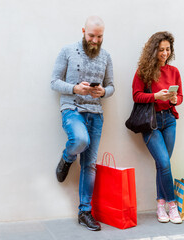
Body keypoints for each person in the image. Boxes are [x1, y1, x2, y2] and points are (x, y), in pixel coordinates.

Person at [51, 16, 114, 231]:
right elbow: (54, 81)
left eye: (99, 36)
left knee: (90, 165)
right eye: (91, 36)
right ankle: (67, 158)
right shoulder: (67, 51)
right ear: (83, 31)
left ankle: (84, 212)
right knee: (80, 140)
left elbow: (111, 86)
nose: (95, 40)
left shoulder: (106, 56)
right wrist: (75, 88)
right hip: (72, 109)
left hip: (95, 113)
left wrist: (103, 91)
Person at [131, 31, 183, 224]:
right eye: (161, 49)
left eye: (167, 49)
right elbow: (136, 95)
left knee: (163, 165)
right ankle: (172, 204)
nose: (164, 53)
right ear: (153, 50)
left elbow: (181, 97)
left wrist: (173, 98)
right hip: (151, 122)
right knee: (164, 163)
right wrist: (155, 97)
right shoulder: (143, 71)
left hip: (169, 120)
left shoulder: (174, 71)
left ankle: (160, 204)